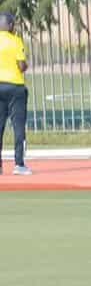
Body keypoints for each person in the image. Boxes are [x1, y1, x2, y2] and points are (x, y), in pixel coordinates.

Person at [0, 11, 28, 176]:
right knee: (18, 126)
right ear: (10, 25)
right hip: (15, 87)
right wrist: (25, 65)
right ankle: (19, 164)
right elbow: (21, 65)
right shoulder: (15, 41)